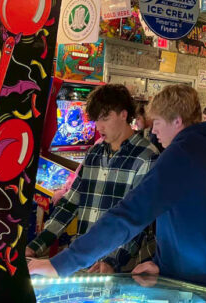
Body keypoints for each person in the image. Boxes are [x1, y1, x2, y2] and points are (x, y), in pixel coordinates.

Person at [29, 85, 206, 291]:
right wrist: (160, 265)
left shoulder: (183, 154)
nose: (154, 130)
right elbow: (185, 222)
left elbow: (131, 214)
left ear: (177, 122)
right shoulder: (198, 148)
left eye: (158, 122)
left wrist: (62, 264)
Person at [26, 84, 159, 273]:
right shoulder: (94, 153)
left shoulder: (146, 156)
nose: (99, 127)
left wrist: (113, 262)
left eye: (105, 118)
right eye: (96, 119)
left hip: (125, 269)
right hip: (85, 261)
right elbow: (71, 202)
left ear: (123, 114)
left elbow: (139, 222)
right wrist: (38, 244)